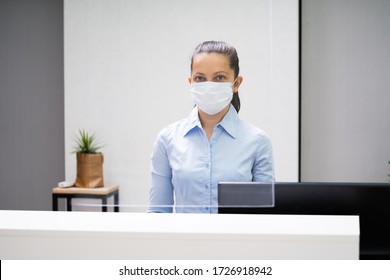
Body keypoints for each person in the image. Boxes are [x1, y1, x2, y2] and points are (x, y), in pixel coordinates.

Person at [147, 41, 274, 213]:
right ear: (191, 82)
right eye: (200, 78)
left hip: (236, 239)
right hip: (185, 239)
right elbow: (158, 212)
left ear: (236, 83)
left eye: (219, 77)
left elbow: (265, 215)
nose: (209, 85)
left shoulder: (258, 141)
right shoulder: (168, 138)